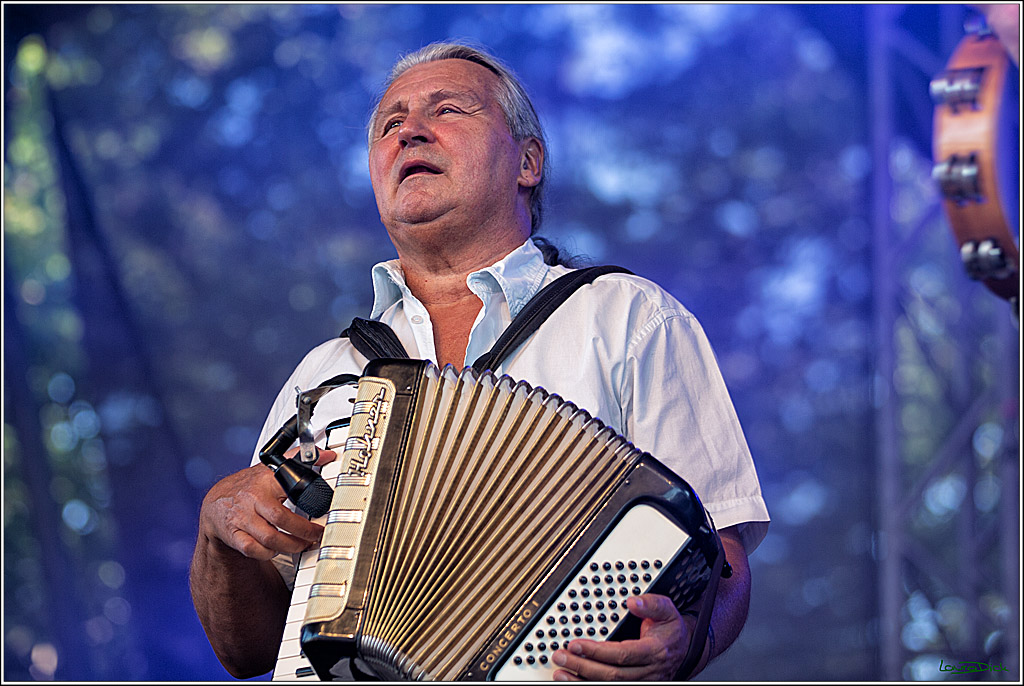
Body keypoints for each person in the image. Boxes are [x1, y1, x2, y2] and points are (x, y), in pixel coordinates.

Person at [190, 40, 770, 681]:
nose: (409, 132)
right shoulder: (322, 375)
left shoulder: (629, 319)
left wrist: (684, 641)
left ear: (527, 161)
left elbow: (725, 561)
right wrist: (219, 531)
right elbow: (245, 652)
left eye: (449, 110)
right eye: (390, 124)